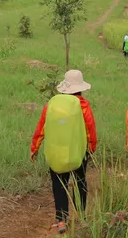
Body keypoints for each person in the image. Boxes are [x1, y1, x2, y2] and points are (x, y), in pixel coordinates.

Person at [31, 70, 97, 235]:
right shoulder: (83, 106)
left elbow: (42, 128)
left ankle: (61, 220)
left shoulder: (52, 105)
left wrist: (35, 148)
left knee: (59, 184)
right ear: (80, 89)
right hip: (78, 152)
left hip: (57, 151)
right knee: (80, 182)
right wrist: (91, 148)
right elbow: (90, 129)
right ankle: (81, 217)